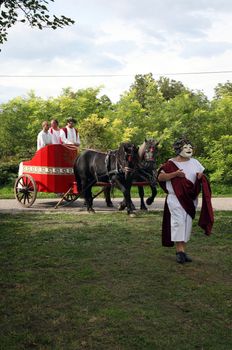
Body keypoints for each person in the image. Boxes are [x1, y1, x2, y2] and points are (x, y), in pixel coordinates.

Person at [157, 138, 214, 264]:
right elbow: (160, 177)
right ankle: (179, 252)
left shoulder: (195, 162)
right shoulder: (170, 163)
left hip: (191, 199)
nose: (189, 149)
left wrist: (201, 177)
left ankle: (183, 251)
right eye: (185, 147)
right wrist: (175, 174)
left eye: (190, 147)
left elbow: (201, 176)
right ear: (178, 149)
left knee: (187, 223)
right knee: (179, 222)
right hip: (175, 198)